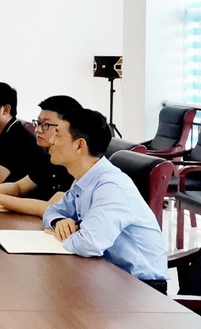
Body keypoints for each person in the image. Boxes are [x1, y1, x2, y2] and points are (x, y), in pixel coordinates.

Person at [42, 109, 169, 293]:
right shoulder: (85, 179)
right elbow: (51, 211)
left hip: (141, 289)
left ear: (79, 145)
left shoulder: (111, 186)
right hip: (107, 275)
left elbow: (88, 243)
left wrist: (63, 234)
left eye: (58, 135)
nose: (51, 141)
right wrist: (59, 222)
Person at [0, 95, 81, 217]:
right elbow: (18, 187)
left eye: (46, 125)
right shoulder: (50, 158)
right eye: (38, 123)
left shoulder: (77, 167)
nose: (38, 130)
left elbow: (49, 207)